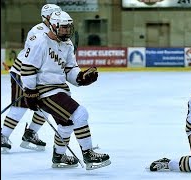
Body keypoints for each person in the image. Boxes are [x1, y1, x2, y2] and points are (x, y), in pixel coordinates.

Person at [19, 10, 111, 170]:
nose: (67, 31)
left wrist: (81, 78)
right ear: (53, 26)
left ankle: (59, 156)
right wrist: (30, 92)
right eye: (63, 28)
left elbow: (70, 70)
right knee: (80, 114)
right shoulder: (40, 42)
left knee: (67, 124)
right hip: (44, 91)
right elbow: (27, 68)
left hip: (60, 90)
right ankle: (88, 153)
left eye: (69, 28)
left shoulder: (67, 45)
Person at [1, 4, 62, 153]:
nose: (58, 18)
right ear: (46, 17)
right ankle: (3, 136)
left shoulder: (57, 31)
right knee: (19, 108)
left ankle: (30, 133)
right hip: (24, 73)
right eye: (55, 15)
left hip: (41, 76)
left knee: (47, 105)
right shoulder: (38, 31)